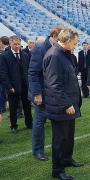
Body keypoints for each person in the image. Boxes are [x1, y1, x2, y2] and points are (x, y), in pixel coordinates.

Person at [43, 28, 83, 180]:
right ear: (66, 41)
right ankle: (57, 170)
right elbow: (54, 85)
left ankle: (67, 159)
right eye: (74, 43)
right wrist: (67, 104)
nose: (75, 46)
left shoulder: (65, 55)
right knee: (60, 139)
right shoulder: (54, 56)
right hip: (60, 107)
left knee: (69, 136)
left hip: (69, 105)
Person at [28, 26, 63, 161]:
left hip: (53, 93)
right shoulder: (40, 49)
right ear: (54, 36)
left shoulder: (57, 49)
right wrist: (37, 94)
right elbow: (33, 73)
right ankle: (37, 151)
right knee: (39, 122)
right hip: (42, 94)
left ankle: (57, 148)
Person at [0, 35, 33, 134]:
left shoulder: (25, 55)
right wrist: (10, 86)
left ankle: (29, 123)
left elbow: (28, 70)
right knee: (13, 108)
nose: (17, 46)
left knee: (27, 106)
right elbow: (3, 73)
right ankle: (13, 125)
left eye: (18, 44)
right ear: (10, 44)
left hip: (25, 85)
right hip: (12, 87)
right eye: (15, 44)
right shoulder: (4, 56)